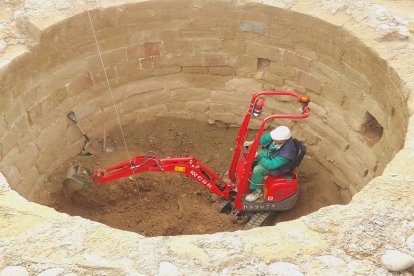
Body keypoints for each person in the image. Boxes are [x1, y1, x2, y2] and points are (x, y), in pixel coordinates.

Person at [243, 126, 297, 202]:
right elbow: (265, 139)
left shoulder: (286, 154)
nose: (272, 139)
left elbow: (271, 165)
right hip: (273, 154)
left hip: (278, 168)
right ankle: (251, 175)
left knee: (258, 170)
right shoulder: (279, 135)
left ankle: (258, 192)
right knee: (252, 156)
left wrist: (258, 156)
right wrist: (252, 142)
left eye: (275, 139)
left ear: (282, 140)